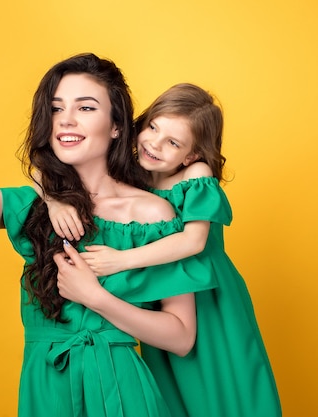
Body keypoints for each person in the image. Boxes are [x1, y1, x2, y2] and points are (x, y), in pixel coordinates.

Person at [0, 54, 216, 417]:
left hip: (122, 394)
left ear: (116, 125)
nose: (66, 119)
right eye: (55, 108)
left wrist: (97, 299)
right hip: (45, 392)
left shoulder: (154, 216)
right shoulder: (31, 204)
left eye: (85, 107)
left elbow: (180, 336)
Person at [42, 83, 281, 417]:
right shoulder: (137, 172)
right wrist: (53, 201)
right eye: (153, 127)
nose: (154, 144)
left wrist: (122, 260)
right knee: (173, 391)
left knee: (223, 387)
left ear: (192, 155)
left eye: (173, 142)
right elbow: (45, 165)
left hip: (208, 297)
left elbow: (193, 242)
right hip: (164, 294)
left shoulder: (196, 174)